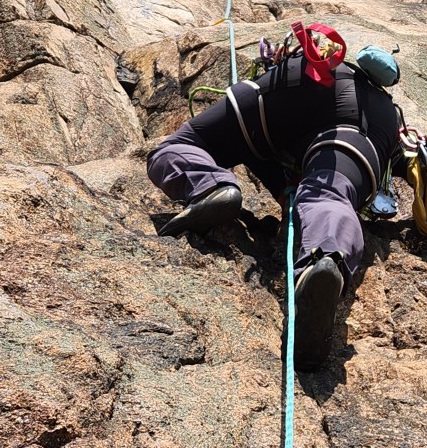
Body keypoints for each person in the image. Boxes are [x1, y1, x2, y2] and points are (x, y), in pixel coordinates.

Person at [146, 26, 403, 371]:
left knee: (178, 146)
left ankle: (209, 185)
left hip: (302, 84)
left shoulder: (320, 68)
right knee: (329, 191)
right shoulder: (390, 112)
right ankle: (325, 259)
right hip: (372, 133)